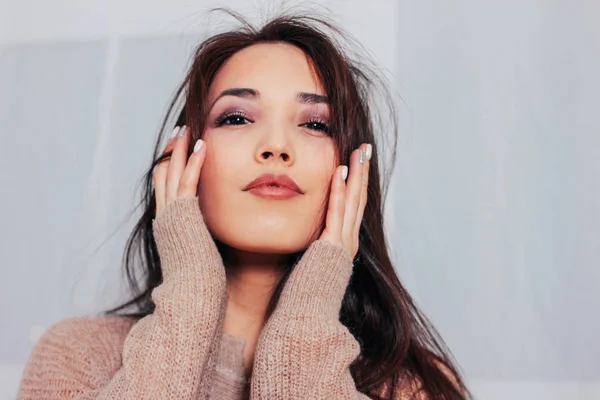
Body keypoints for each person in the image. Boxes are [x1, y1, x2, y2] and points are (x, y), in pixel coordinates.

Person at [17, 11, 471, 400]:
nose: (276, 146)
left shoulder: (414, 386)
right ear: (182, 159)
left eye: (315, 124)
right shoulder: (79, 356)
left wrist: (305, 325)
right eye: (236, 118)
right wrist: (192, 289)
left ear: (353, 171)